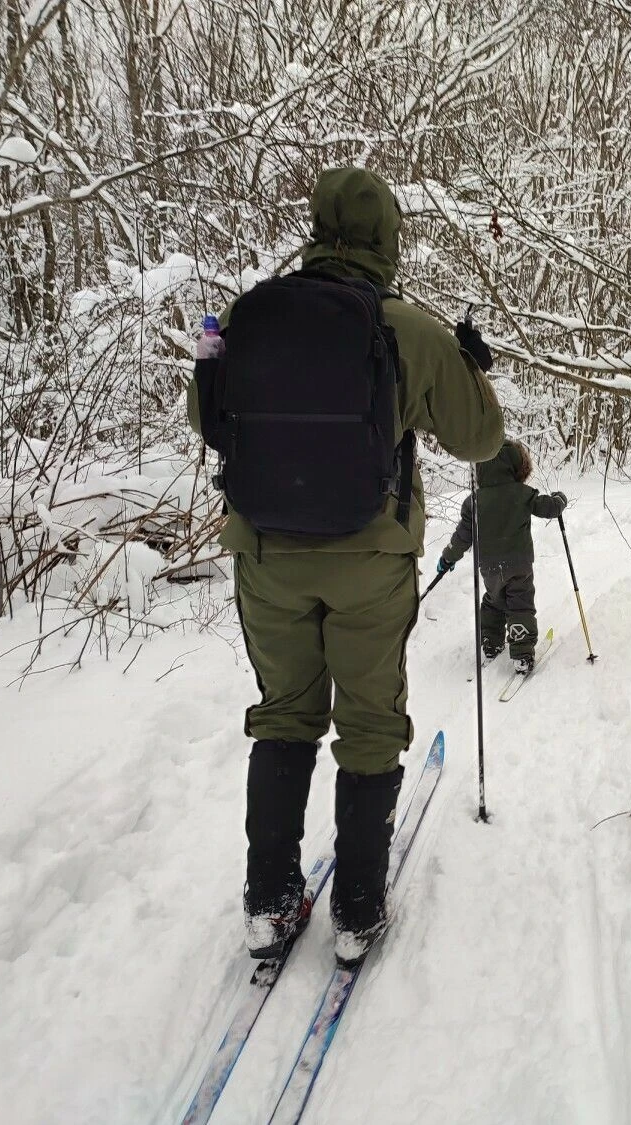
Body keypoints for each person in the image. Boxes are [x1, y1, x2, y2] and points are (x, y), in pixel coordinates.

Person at [188, 167, 504, 967]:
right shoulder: (408, 328)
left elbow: (206, 416)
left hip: (264, 553)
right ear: (386, 240)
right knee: (367, 719)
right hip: (370, 554)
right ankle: (357, 909)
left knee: (285, 713)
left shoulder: (250, 318)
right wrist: (467, 367)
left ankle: (269, 901)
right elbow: (482, 441)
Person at [436, 440, 567, 674]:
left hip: (489, 566)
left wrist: (448, 557)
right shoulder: (523, 493)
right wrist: (559, 500)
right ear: (518, 467)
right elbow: (549, 509)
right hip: (519, 564)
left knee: (493, 601)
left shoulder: (473, 502)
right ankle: (522, 653)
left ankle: (491, 643)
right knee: (520, 603)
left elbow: (462, 536)